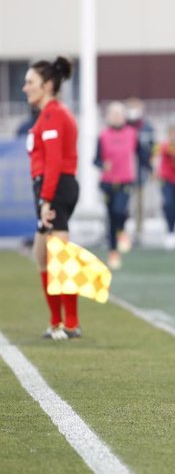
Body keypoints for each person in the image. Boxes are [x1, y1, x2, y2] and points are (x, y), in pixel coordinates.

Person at [22, 56, 81, 339]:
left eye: (30, 82)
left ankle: (68, 322)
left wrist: (46, 200)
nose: (25, 87)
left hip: (55, 188)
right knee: (42, 255)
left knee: (59, 258)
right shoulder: (46, 114)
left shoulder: (54, 114)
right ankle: (58, 321)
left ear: (47, 85)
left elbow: (55, 162)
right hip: (48, 188)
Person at [95, 101, 138, 270]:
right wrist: (102, 165)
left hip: (125, 180)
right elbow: (96, 159)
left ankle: (122, 231)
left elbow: (141, 153)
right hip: (107, 182)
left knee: (120, 210)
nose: (116, 117)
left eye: (119, 114)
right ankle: (113, 251)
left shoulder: (132, 134)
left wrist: (150, 167)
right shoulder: (103, 136)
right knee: (111, 216)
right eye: (113, 114)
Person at [125, 97, 155, 246]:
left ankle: (138, 232)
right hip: (123, 172)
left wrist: (149, 167)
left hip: (139, 171)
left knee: (139, 204)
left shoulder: (146, 127)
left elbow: (150, 148)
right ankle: (120, 233)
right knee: (121, 204)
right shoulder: (122, 126)